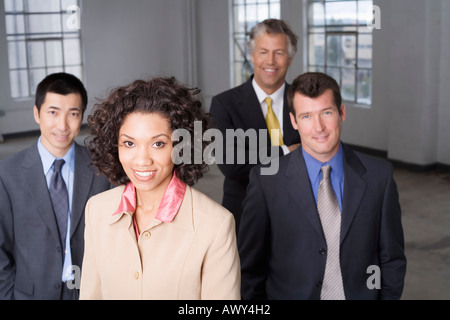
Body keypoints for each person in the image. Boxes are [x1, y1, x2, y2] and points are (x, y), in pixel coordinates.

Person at [238, 72, 407, 300]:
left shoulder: (379, 176)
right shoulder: (266, 180)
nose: (319, 127)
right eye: (306, 116)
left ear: (342, 113)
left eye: (326, 113)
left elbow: (391, 259)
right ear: (294, 121)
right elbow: (250, 269)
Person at [79, 77, 240, 300]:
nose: (142, 160)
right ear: (113, 146)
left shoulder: (216, 224)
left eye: (158, 144)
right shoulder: (97, 210)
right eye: (129, 143)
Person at [0, 73, 111, 300]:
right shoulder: (7, 174)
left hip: (88, 292)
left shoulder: (102, 169)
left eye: (73, 114)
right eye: (53, 112)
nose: (63, 125)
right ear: (36, 113)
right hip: (29, 294)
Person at [210, 19, 301, 229]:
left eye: (279, 52)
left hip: (297, 212)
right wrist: (287, 151)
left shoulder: (303, 103)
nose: (271, 61)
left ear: (290, 58)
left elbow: (317, 154)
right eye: (263, 52)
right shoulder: (224, 104)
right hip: (245, 213)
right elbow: (231, 164)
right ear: (252, 56)